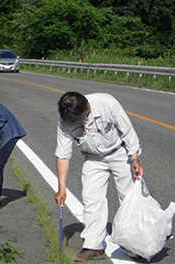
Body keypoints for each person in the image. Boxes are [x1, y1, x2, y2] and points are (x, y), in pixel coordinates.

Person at [54, 91, 144, 262]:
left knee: (129, 197)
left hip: (119, 152)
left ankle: (140, 242)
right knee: (91, 198)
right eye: (75, 121)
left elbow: (127, 129)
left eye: (80, 118)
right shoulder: (64, 121)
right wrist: (62, 188)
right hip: (94, 158)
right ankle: (93, 246)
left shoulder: (106, 103)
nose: (79, 123)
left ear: (87, 108)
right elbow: (63, 155)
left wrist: (135, 158)